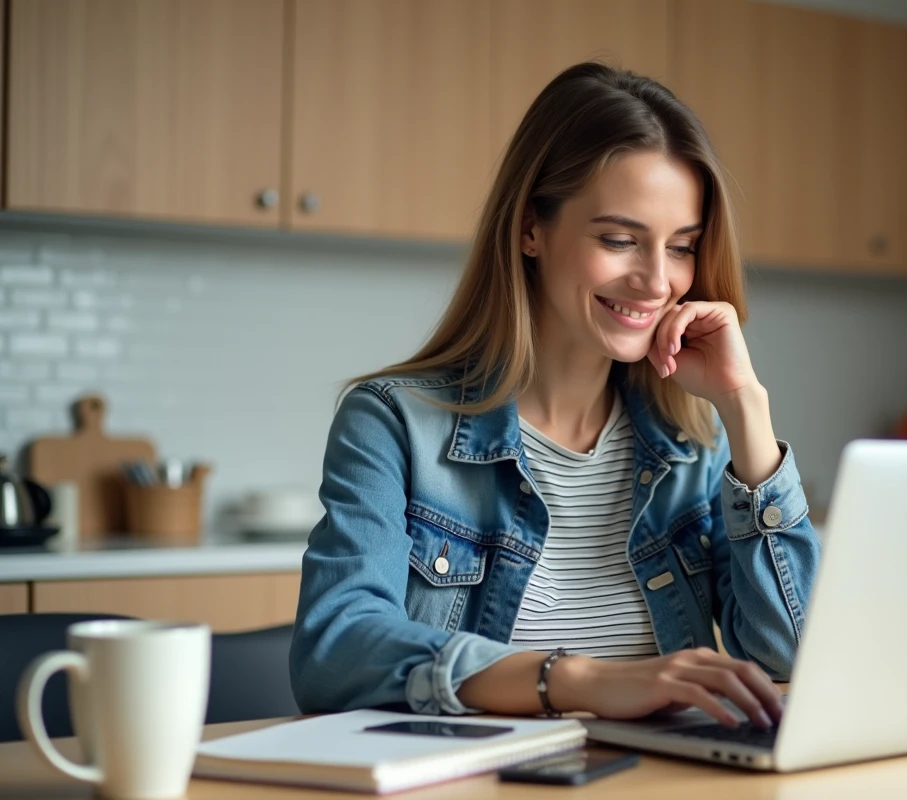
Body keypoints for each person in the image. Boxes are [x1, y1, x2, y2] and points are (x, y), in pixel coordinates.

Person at [290, 62, 820, 730]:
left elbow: (793, 659)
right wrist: (581, 681)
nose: (657, 281)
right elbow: (334, 654)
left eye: (681, 248)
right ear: (530, 229)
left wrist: (746, 411)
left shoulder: (695, 448)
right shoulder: (394, 423)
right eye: (619, 239)